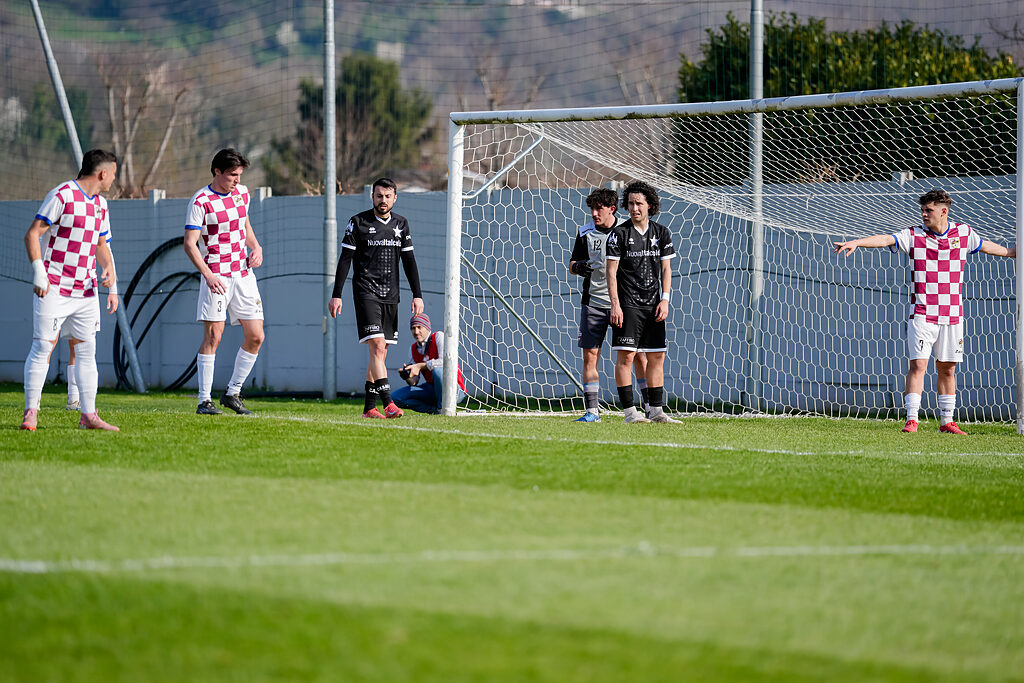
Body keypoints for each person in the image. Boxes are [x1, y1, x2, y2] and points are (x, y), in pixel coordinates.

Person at [833, 188, 1015, 434]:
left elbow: (984, 246)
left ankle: (947, 421)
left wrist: (1011, 252)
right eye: (922, 210)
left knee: (947, 369)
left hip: (952, 315)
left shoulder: (963, 233)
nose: (924, 214)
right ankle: (912, 419)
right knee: (918, 365)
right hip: (922, 314)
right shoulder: (913, 235)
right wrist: (857, 242)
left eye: (928, 210)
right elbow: (886, 239)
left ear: (944, 211)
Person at [21, 148, 120, 431]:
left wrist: (110, 272)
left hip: (86, 291)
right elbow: (32, 234)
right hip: (54, 287)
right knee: (43, 346)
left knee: (87, 350)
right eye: (113, 174)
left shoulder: (101, 205)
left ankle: (88, 415)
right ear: (102, 173)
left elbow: (101, 244)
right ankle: (31, 413)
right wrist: (39, 272)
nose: (114, 179)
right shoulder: (62, 195)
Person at [329, 177, 424, 419]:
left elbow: (409, 261)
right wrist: (336, 294)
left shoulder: (401, 224)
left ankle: (369, 408)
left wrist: (417, 295)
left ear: (395, 198)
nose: (383, 200)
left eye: (388, 196)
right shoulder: (358, 222)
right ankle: (388, 403)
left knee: (380, 353)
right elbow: (345, 259)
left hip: (391, 295)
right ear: (372, 196)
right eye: (379, 195)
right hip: (365, 292)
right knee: (378, 346)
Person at [183, 148, 265, 416]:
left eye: (239, 175)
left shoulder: (242, 193)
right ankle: (204, 401)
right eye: (232, 175)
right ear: (217, 171)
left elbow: (245, 224)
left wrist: (256, 247)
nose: (237, 180)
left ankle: (232, 393)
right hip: (216, 276)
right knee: (213, 336)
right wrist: (208, 274)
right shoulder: (201, 201)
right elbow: (190, 244)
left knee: (256, 336)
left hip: (243, 275)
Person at [568, 188, 649, 422]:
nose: (594, 214)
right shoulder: (585, 232)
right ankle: (592, 411)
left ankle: (649, 407)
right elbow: (572, 264)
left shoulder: (627, 229)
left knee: (637, 355)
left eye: (599, 209)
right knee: (590, 355)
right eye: (591, 209)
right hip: (594, 303)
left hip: (625, 305)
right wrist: (580, 267)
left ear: (612, 209)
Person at [606, 180, 679, 424]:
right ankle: (630, 413)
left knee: (657, 357)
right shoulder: (619, 234)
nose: (634, 208)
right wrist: (615, 304)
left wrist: (665, 300)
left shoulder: (662, 233)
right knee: (626, 358)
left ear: (649, 205)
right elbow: (611, 272)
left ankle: (656, 411)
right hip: (628, 305)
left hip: (653, 305)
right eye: (630, 203)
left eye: (638, 203)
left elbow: (666, 270)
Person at [64, 226, 117, 411]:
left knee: (83, 345)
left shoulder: (101, 212)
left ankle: (77, 402)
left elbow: (105, 248)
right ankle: (32, 407)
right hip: (60, 285)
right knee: (46, 344)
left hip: (87, 287)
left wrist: (113, 290)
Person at [392, 313, 466, 414]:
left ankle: (441, 407)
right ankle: (434, 410)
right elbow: (414, 382)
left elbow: (445, 362)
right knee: (394, 398)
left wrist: (420, 366)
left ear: (427, 327)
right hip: (431, 389)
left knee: (438, 370)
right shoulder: (413, 348)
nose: (416, 332)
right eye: (413, 328)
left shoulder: (439, 336)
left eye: (419, 327)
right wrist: (407, 377)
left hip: (454, 389)